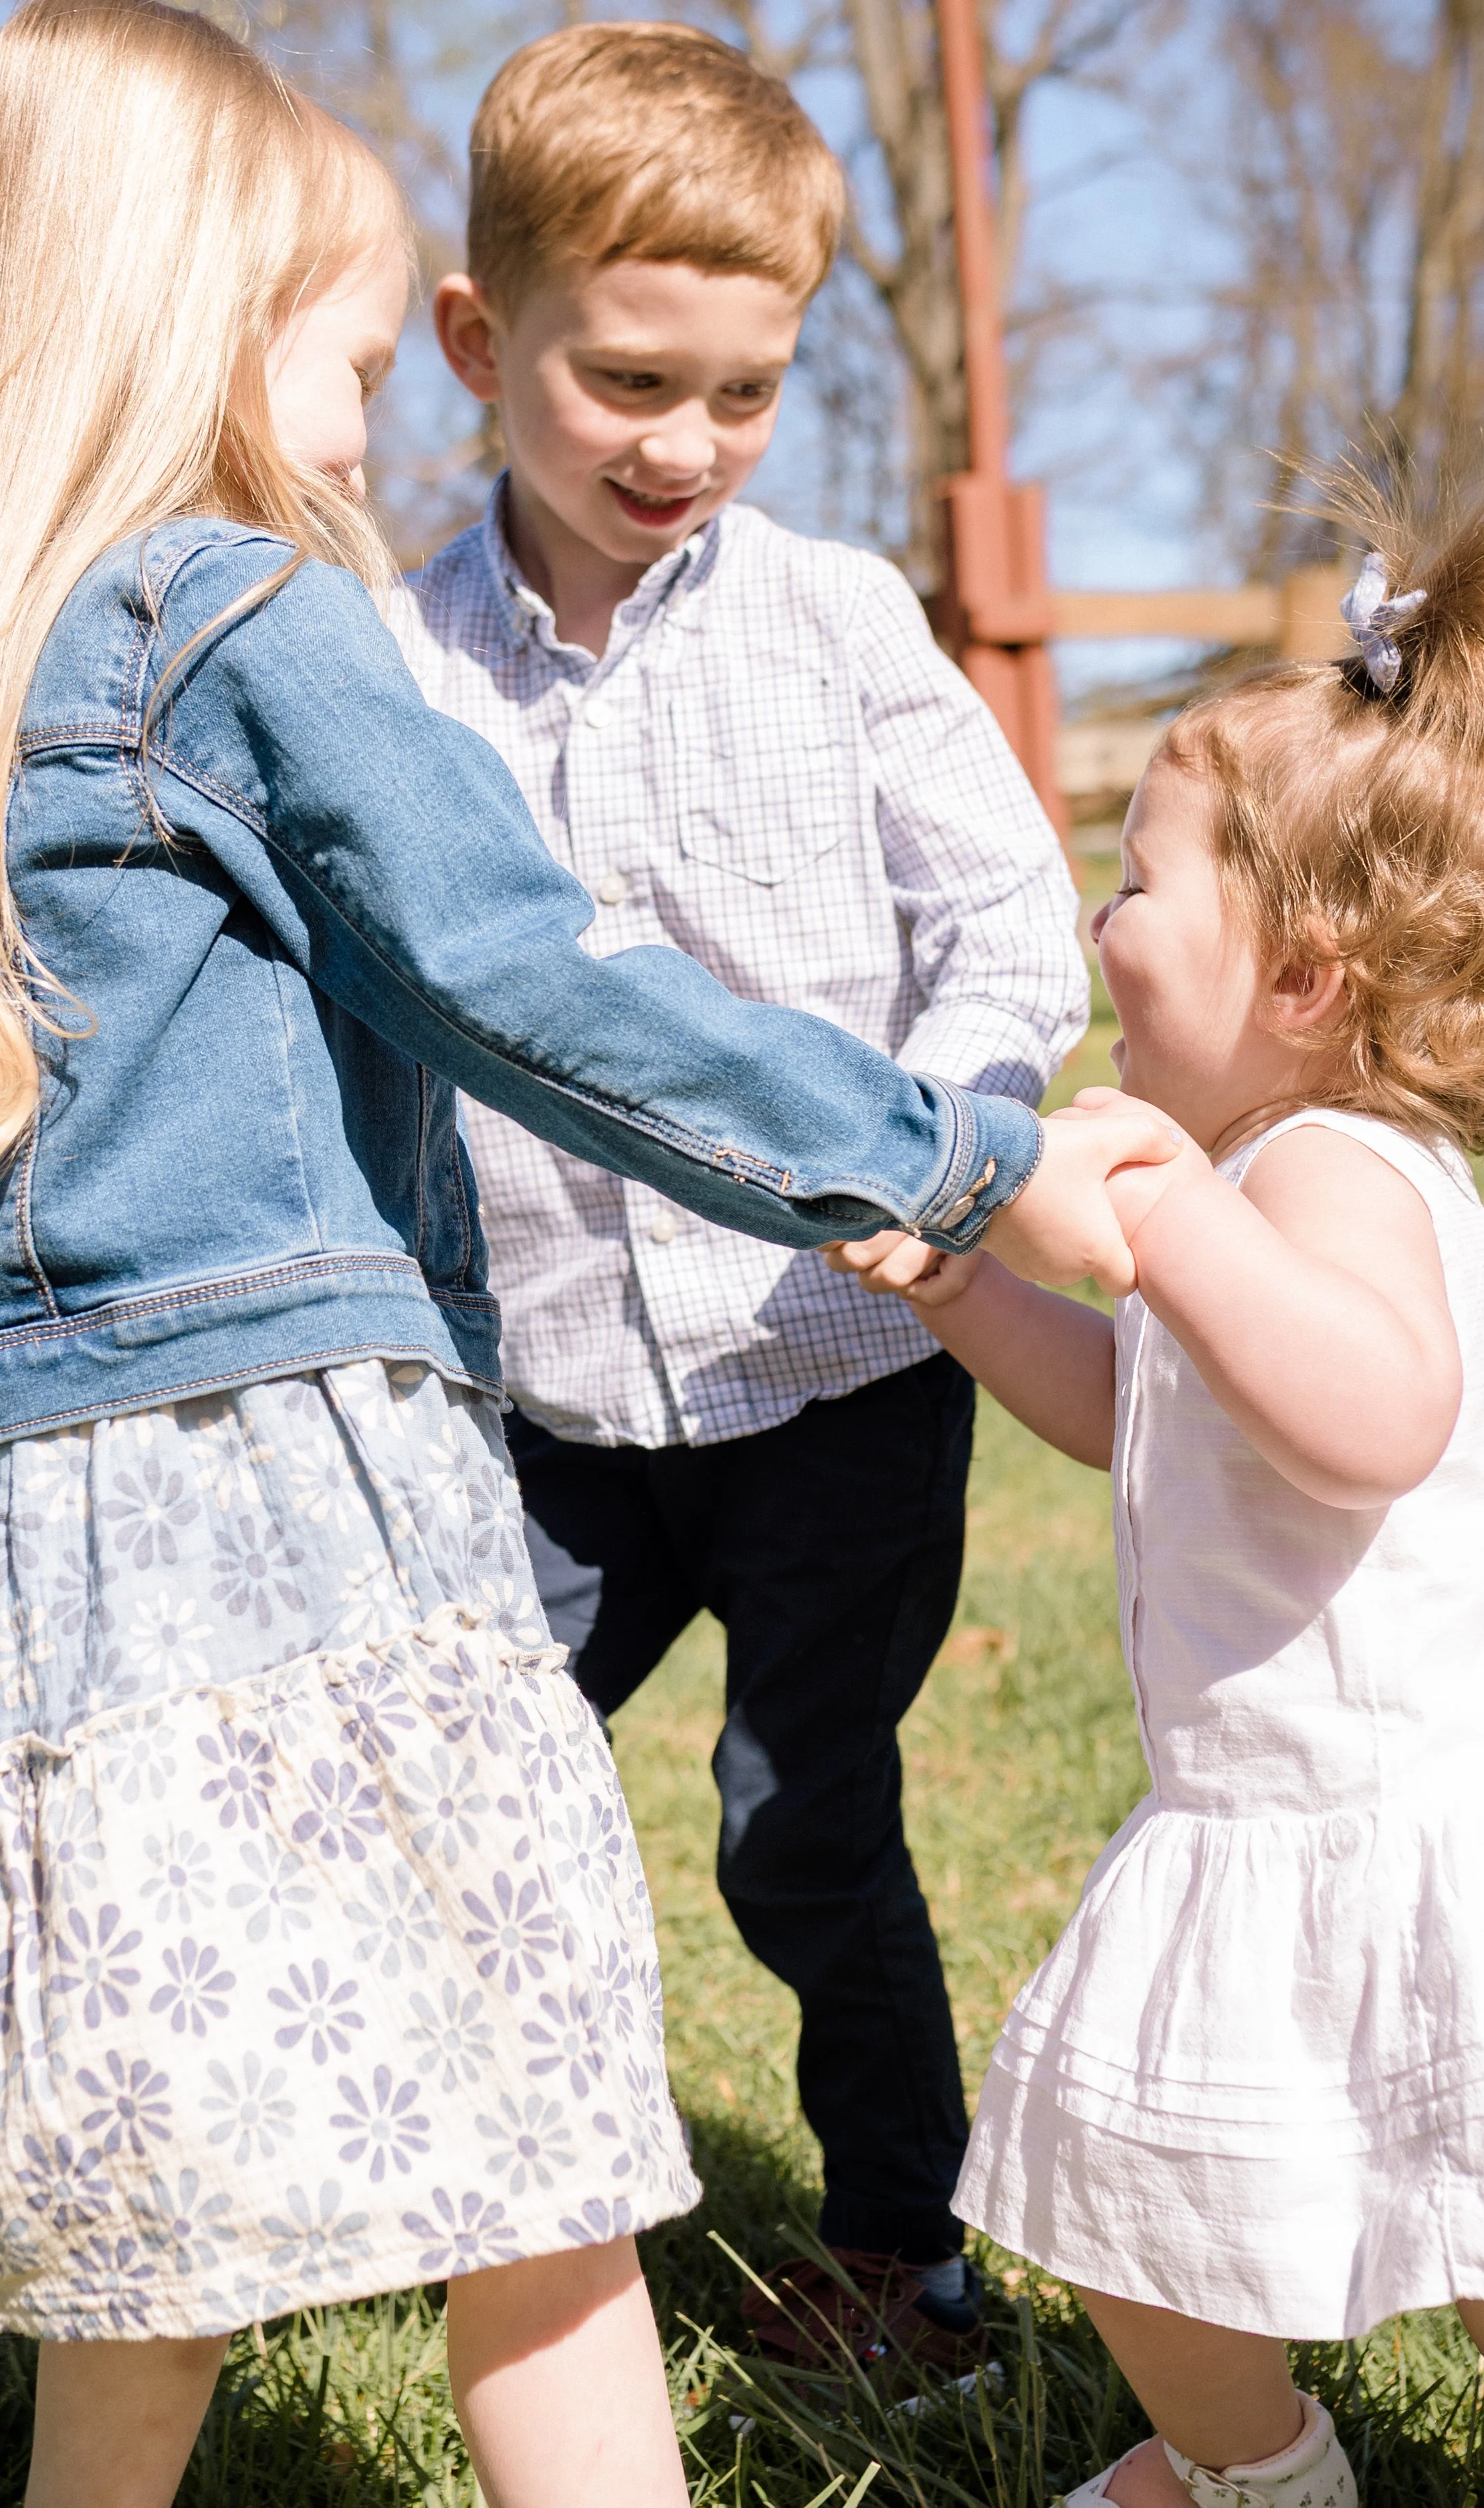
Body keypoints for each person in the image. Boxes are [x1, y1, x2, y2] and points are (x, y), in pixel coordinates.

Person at [0, 5, 1172, 2505]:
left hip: (55, 1529)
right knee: (537, 2130)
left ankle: (897, 2238)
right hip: (332, 1475)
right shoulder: (249, 618)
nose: (355, 424)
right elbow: (526, 979)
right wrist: (969, 1171)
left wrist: (944, 1116)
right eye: (341, 358)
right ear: (201, 328)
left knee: (170, 2168)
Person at [393, 21, 1088, 2366]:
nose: (684, 445)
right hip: (540, 1396)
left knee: (805, 1821)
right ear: (482, 340)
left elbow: (1009, 927)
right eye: (626, 381)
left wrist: (950, 1138)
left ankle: (909, 2251)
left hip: (836, 1373)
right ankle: (464, 2197)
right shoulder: (393, 671)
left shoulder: (836, 620)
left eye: (745, 391)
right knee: (453, 1796)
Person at [831, 503, 1484, 2505]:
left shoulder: (1327, 1172)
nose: (1102, 926)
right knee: (1160, 2221)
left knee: (1163, 2197)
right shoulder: (1269, 1185)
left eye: (1134, 881)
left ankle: (1256, 2473)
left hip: (1370, 1818)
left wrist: (1176, 1213)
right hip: (1292, 1812)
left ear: (1295, 972)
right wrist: (963, 1287)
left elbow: (1375, 1412)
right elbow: (1144, 1403)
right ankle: (1256, 2469)